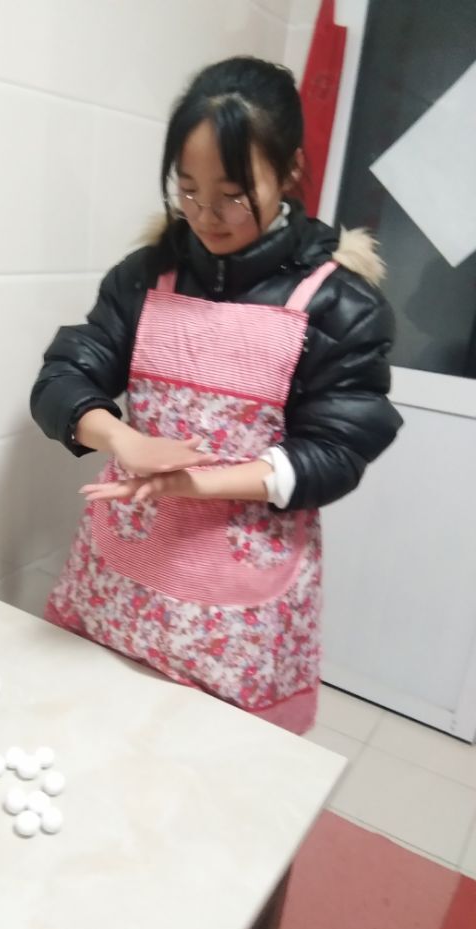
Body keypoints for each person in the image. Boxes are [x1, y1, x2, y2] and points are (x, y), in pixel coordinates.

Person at [30, 56, 402, 734]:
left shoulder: (340, 302)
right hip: (124, 570)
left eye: (232, 193)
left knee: (219, 772)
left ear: (288, 170)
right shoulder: (147, 275)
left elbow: (335, 451)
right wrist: (122, 438)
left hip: (242, 598)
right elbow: (63, 378)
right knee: (98, 740)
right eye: (188, 190)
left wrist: (194, 485)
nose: (206, 215)